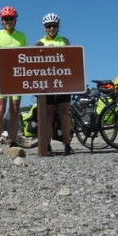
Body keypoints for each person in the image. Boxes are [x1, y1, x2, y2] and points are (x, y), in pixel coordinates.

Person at [0, 6, 28, 146]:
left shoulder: (22, 36)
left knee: (14, 109)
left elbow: (27, 56)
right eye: (5, 18)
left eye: (11, 18)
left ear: (15, 20)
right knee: (0, 108)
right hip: (2, 77)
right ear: (1, 21)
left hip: (17, 76)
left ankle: (13, 141)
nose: (8, 21)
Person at [36, 13, 74, 155]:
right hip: (47, 84)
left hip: (63, 82)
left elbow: (71, 59)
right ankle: (46, 145)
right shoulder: (39, 43)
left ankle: (67, 145)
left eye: (54, 26)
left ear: (58, 27)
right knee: (48, 114)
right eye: (48, 26)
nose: (51, 28)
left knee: (64, 112)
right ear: (44, 28)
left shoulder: (64, 40)